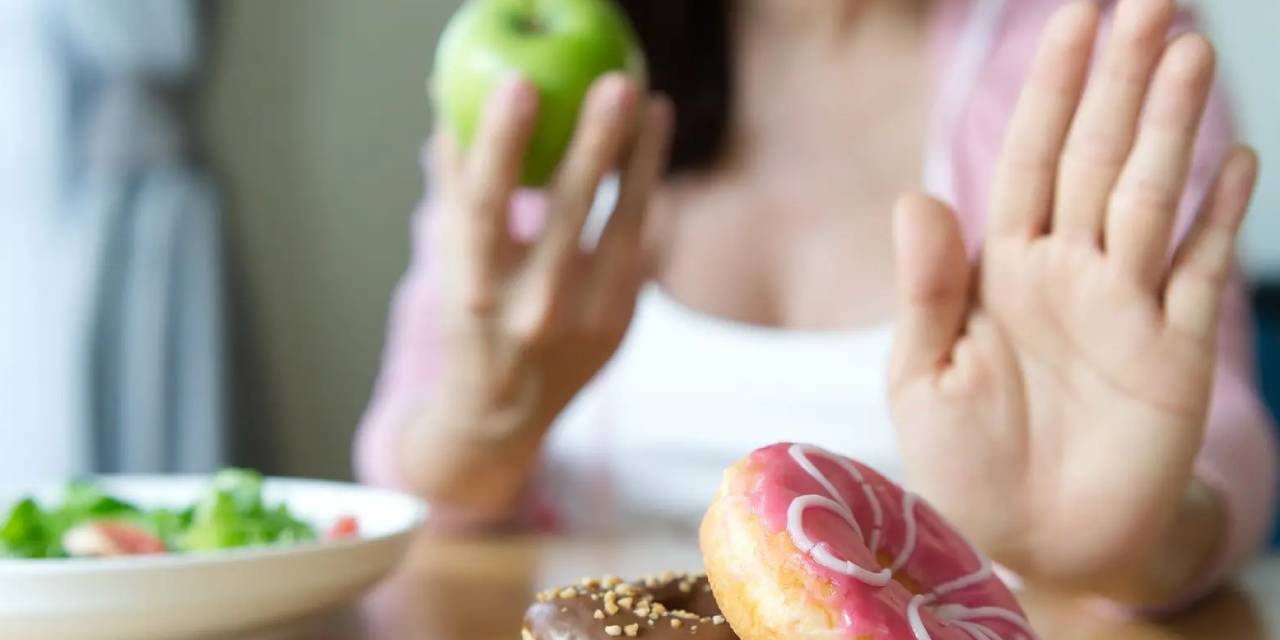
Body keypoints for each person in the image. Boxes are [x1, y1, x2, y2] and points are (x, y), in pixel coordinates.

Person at [357, 0, 1278, 610]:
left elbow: (1208, 446)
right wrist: (480, 434)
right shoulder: (548, 58)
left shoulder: (1093, 51)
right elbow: (410, 461)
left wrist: (1124, 544)